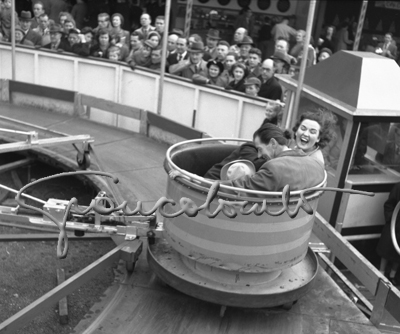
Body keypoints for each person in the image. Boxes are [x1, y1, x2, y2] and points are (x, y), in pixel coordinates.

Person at [221, 123, 325, 194]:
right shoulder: (318, 164)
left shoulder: (273, 168)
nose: (258, 155)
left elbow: (241, 188)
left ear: (273, 143)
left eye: (260, 149)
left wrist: (206, 183)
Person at [377, 182, 400, 286]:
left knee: (398, 253)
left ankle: (392, 275)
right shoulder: (399, 186)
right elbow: (389, 204)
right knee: (386, 248)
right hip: (395, 223)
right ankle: (381, 273)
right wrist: (390, 219)